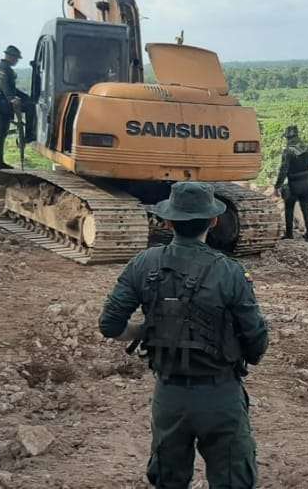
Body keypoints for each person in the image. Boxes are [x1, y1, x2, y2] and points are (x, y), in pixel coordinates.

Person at [99, 182, 269, 488]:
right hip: (221, 395)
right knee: (233, 479)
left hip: (169, 396)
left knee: (168, 479)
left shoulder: (143, 263)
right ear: (214, 221)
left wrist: (146, 329)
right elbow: (256, 339)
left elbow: (110, 325)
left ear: (167, 221)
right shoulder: (230, 272)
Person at [0, 45, 36, 170]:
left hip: (6, 103)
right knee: (1, 133)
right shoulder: (2, 68)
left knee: (30, 104)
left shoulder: (7, 68)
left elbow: (12, 88)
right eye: (16, 58)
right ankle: (28, 135)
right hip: (2, 104)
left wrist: (25, 96)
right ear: (10, 57)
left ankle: (28, 135)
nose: (16, 61)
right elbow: (4, 85)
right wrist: (11, 98)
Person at [273, 125, 308, 242]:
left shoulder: (288, 151)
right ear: (297, 136)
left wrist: (277, 186)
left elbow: (283, 170)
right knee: (305, 208)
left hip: (294, 183)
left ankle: (289, 234)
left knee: (289, 207)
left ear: (288, 138)